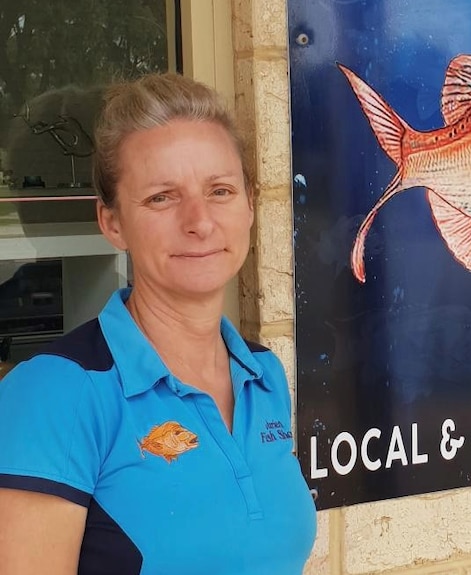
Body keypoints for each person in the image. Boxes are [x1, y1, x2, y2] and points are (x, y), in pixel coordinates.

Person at [0, 73, 317, 574]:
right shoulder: (55, 394)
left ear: (251, 204)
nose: (199, 220)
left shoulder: (263, 375)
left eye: (220, 190)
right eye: (161, 197)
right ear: (112, 222)